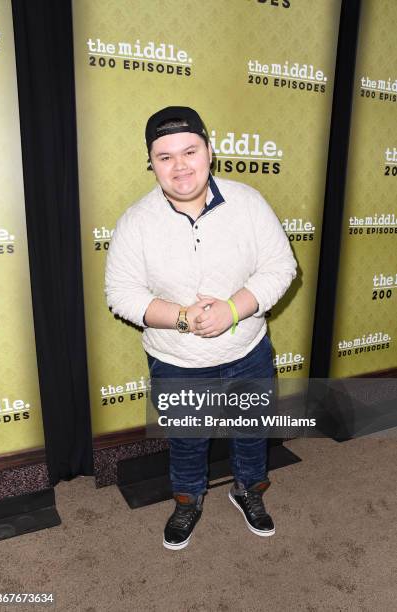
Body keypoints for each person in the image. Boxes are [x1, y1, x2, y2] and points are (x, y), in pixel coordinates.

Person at [105, 106, 297, 550]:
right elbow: (121, 293)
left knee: (251, 433)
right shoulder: (135, 222)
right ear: (151, 163)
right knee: (187, 441)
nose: (179, 166)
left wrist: (232, 310)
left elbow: (280, 267)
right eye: (164, 156)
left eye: (189, 151)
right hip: (177, 360)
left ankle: (248, 490)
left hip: (249, 350)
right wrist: (182, 317)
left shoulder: (248, 202)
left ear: (209, 151)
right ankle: (187, 501)